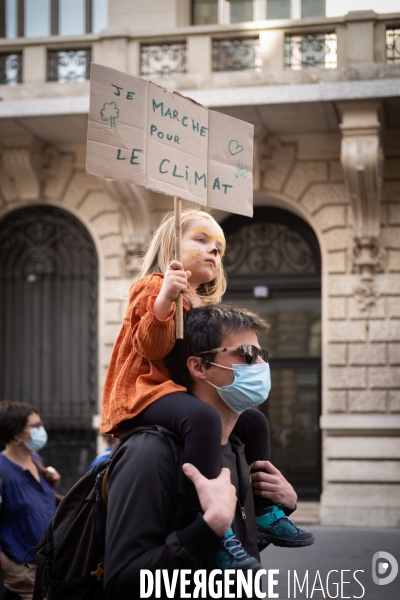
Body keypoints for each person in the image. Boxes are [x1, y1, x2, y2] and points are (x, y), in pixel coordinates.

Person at [101, 209, 313, 566]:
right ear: (171, 245)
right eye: (201, 240)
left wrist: (281, 500)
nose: (213, 251)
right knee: (202, 417)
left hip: (171, 390)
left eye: (219, 247)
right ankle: (212, 525)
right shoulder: (154, 286)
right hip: (143, 392)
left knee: (256, 422)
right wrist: (166, 298)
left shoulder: (201, 303)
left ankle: (266, 509)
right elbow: (150, 348)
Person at [104, 305, 309, 599]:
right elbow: (121, 584)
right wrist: (208, 528)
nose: (262, 364)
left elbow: (230, 563)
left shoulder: (237, 447)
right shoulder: (150, 454)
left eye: (264, 355)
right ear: (199, 366)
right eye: (247, 354)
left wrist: (277, 507)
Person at [0, 401, 60, 600]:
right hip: (23, 574)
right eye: (35, 426)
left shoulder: (35, 459)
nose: (41, 430)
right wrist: (8, 566)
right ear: (16, 433)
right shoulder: (2, 470)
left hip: (51, 567)